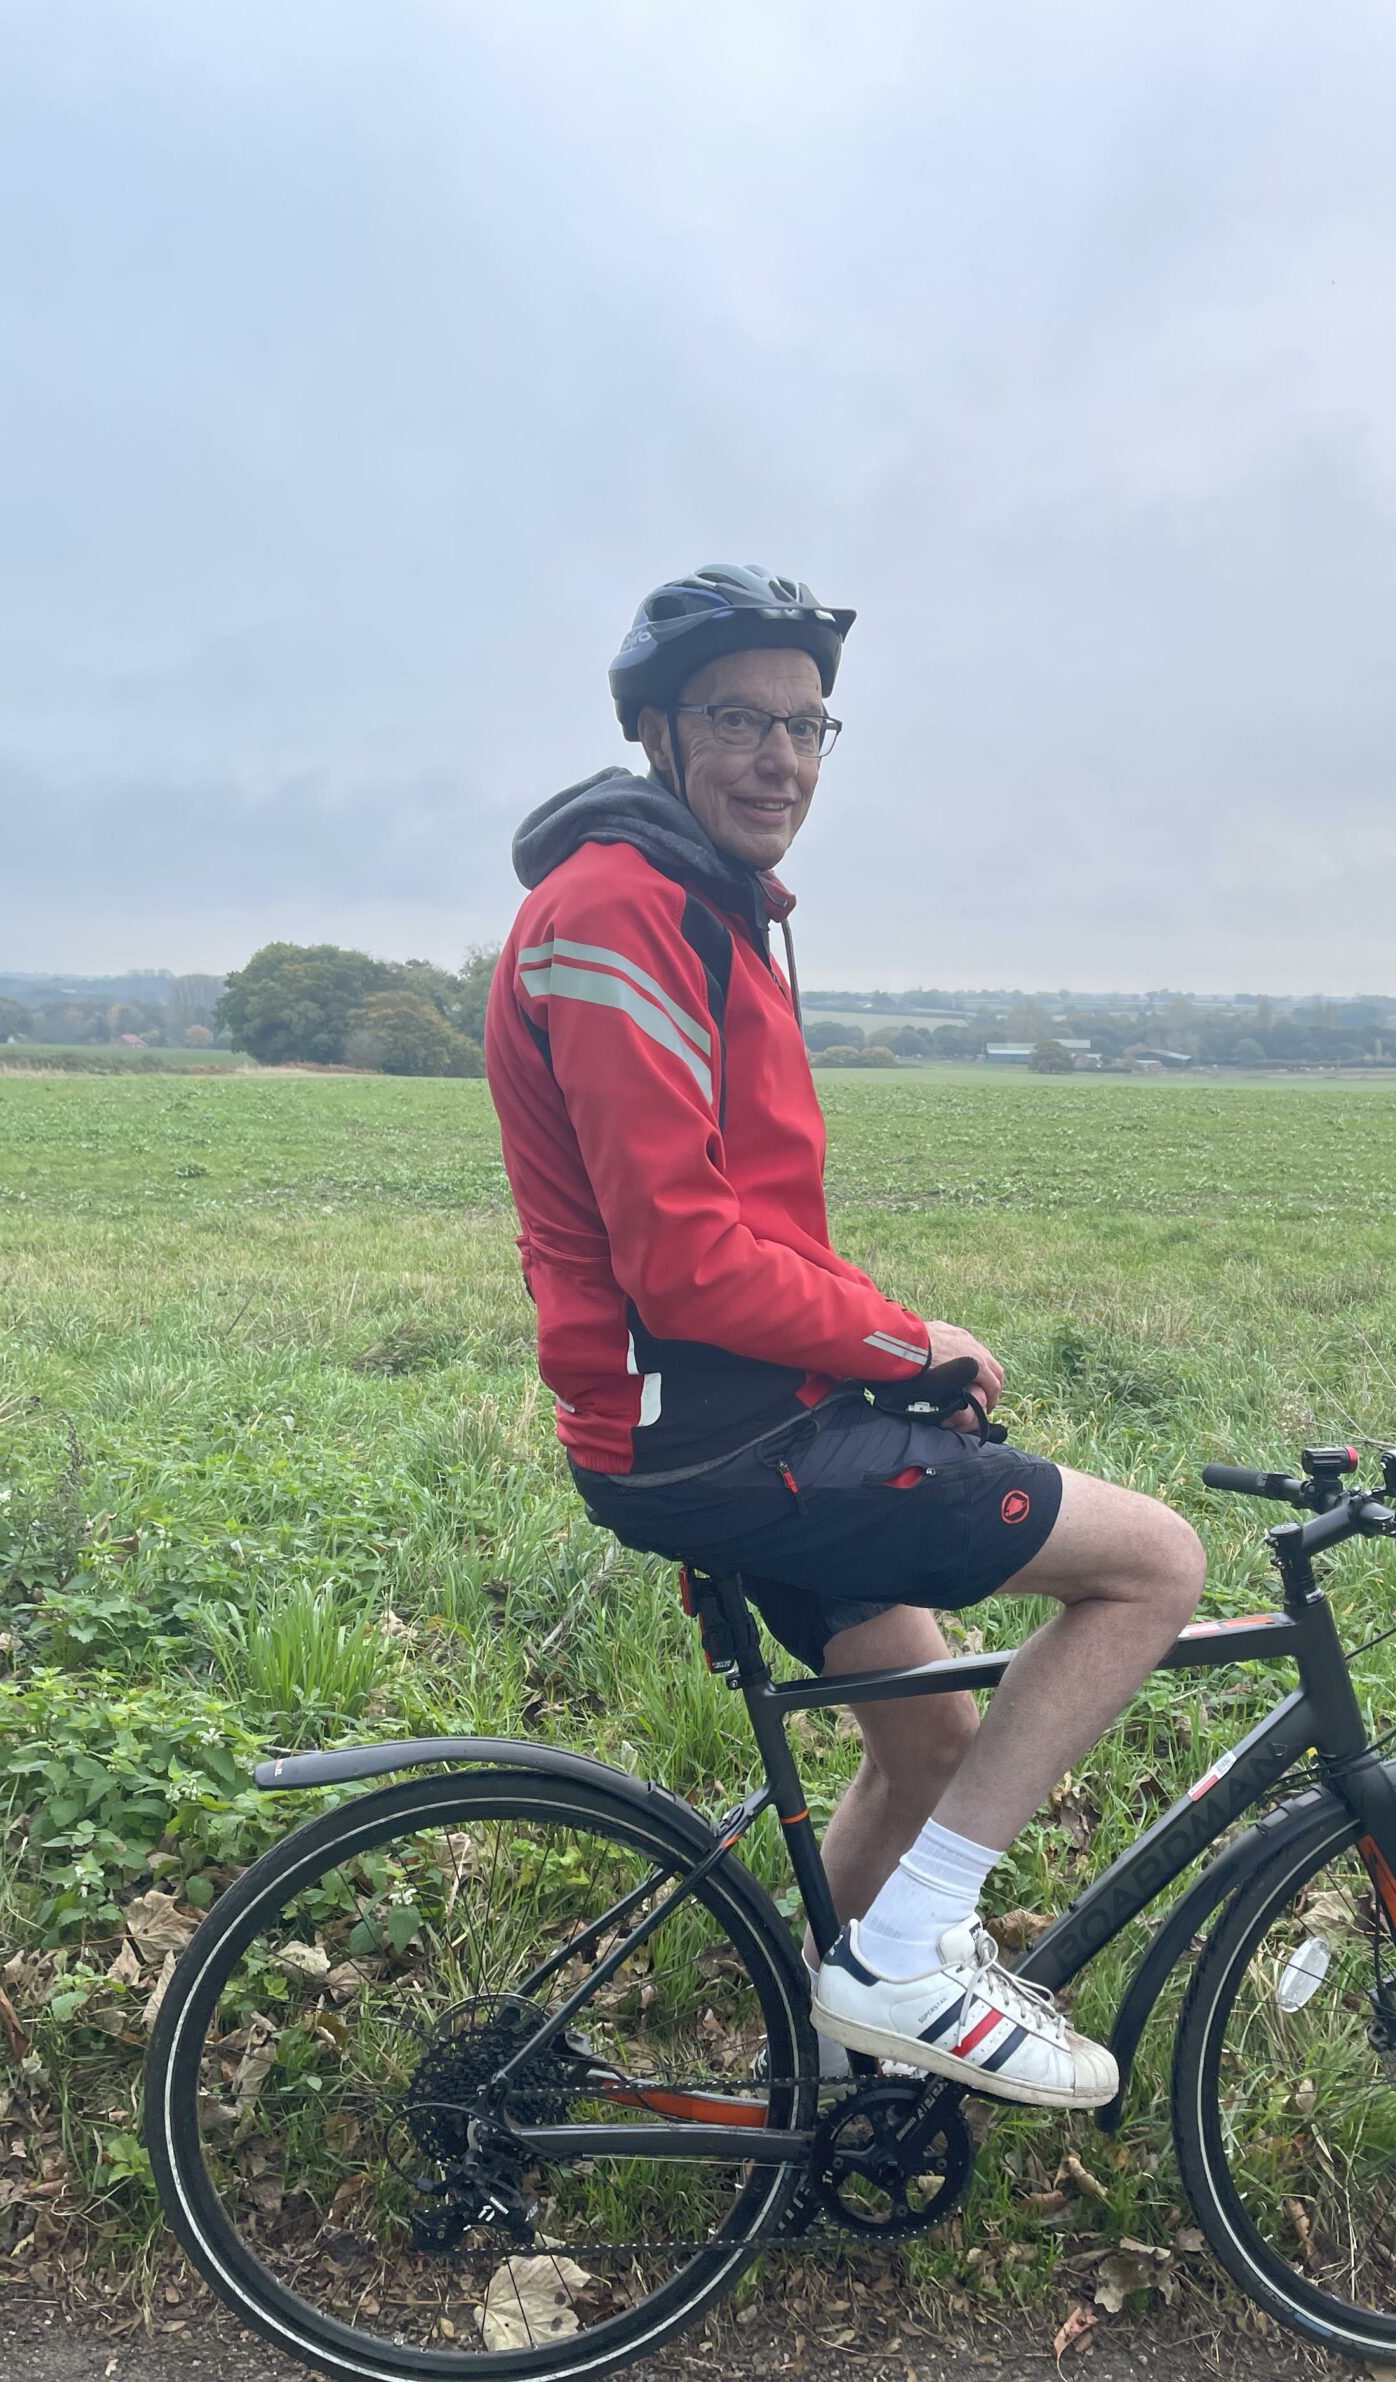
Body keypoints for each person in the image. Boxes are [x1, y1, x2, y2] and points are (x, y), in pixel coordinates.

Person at [485, 564, 1206, 2107]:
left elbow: (758, 1228)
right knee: (1157, 1565)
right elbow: (683, 1259)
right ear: (655, 731)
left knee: (933, 1738)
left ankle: (830, 2103)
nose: (782, 759)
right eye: (740, 718)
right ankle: (910, 1954)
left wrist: (894, 1353)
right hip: (724, 1439)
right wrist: (898, 1339)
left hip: (744, 1420)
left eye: (810, 727)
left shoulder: (706, 908)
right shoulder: (621, 909)